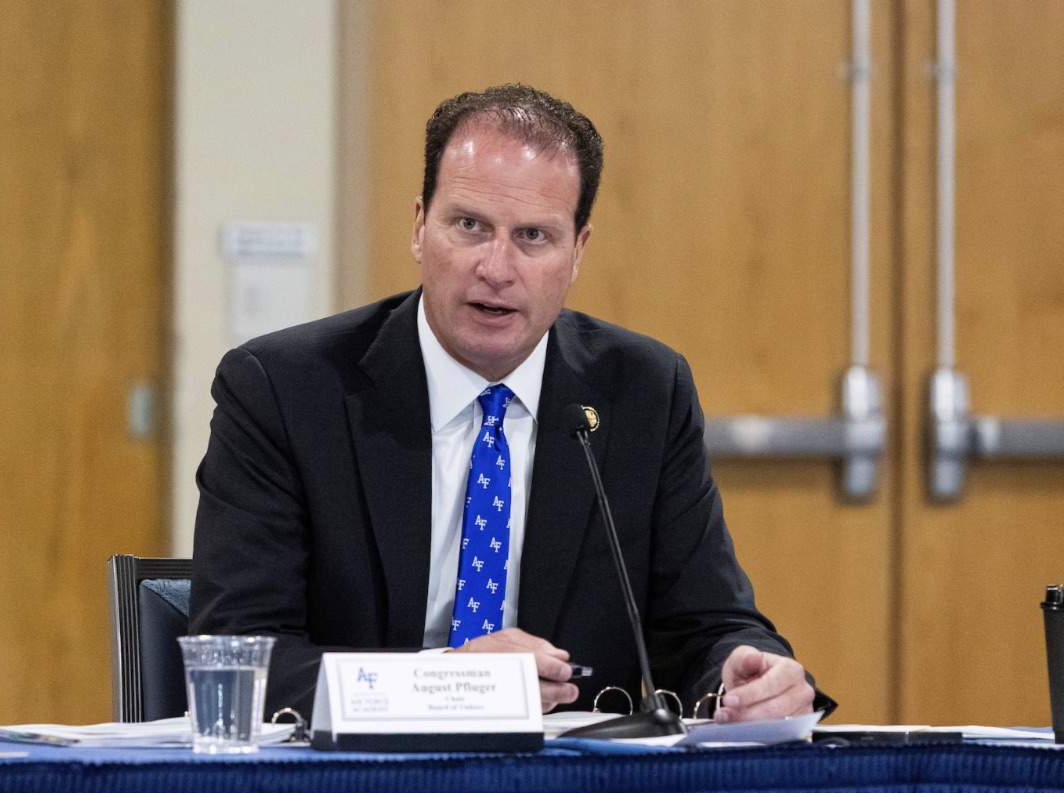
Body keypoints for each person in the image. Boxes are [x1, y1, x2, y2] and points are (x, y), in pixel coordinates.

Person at [189, 84, 834, 722]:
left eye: (533, 236)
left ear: (577, 252)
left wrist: (746, 679)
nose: (497, 268)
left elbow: (705, 625)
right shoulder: (284, 391)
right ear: (419, 228)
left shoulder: (643, 393)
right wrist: (447, 684)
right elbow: (238, 656)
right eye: (469, 226)